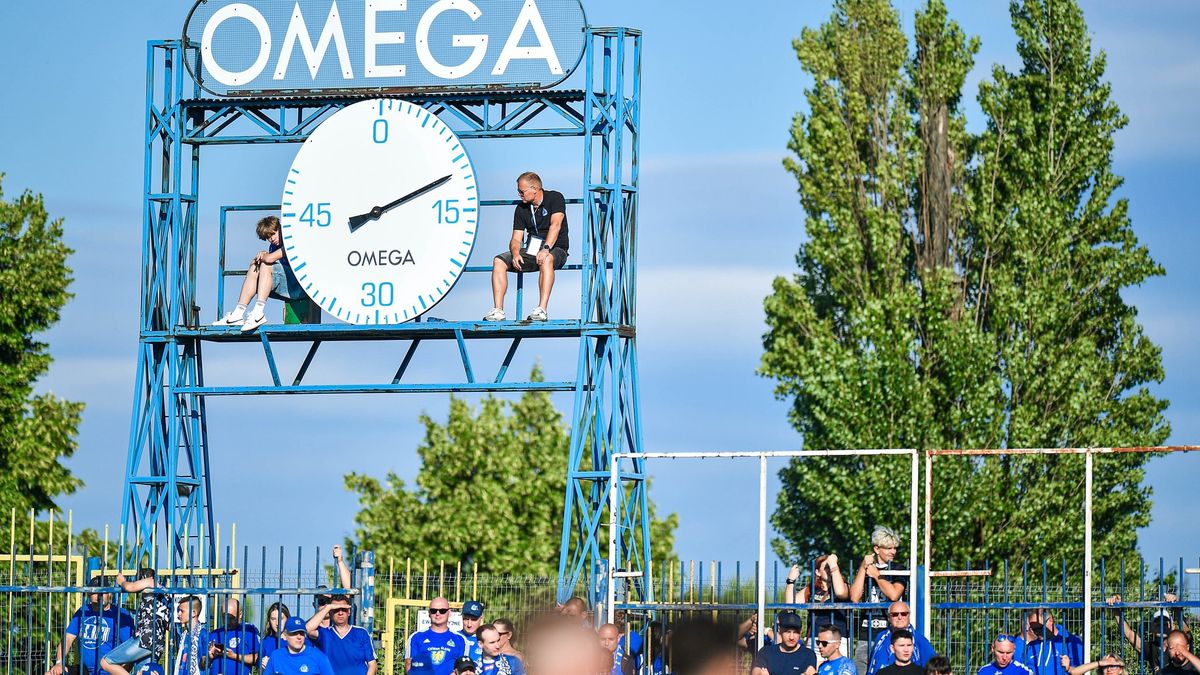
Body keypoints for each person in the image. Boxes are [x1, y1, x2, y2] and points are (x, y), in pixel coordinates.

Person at [483, 172, 569, 322]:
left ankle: (541, 309)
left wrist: (546, 248)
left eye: (522, 191)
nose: (519, 195)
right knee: (499, 261)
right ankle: (498, 310)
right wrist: (515, 253)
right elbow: (516, 238)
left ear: (534, 189)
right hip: (532, 249)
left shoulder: (555, 198)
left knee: (547, 258)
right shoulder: (521, 208)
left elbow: (556, 225)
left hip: (556, 248)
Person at [212, 215, 303, 332]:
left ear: (280, 229)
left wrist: (264, 256)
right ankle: (238, 313)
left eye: (273, 233)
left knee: (265, 264)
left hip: (298, 287)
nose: (272, 239)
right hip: (286, 285)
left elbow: (270, 259)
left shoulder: (290, 242)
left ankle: (258, 312)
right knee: (256, 265)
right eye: (268, 237)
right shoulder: (273, 246)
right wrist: (259, 257)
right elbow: (265, 260)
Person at [48, 577, 135, 675]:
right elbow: (67, 639)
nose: (99, 596)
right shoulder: (83, 611)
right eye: (95, 592)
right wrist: (59, 663)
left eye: (103, 592)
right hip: (83, 670)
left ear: (110, 593)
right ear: (89, 594)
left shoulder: (121, 615)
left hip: (107, 672)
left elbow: (131, 653)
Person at [850, 527, 907, 675]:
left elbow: (894, 594)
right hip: (865, 635)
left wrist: (876, 576)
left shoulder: (898, 569)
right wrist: (863, 568)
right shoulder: (867, 569)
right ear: (876, 548)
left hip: (889, 634)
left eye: (895, 548)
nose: (893, 551)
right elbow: (854, 598)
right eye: (888, 548)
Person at [100, 568, 172, 675]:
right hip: (157, 642)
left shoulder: (150, 582)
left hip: (145, 638)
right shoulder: (165, 594)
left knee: (106, 662)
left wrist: (122, 581)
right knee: (141, 672)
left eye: (138, 580)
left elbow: (130, 587)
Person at [1106, 594, 1190, 673]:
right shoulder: (1151, 648)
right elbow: (1129, 634)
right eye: (1157, 624)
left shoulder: (1181, 644)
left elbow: (1186, 631)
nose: (1161, 627)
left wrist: (1176, 605)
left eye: (1165, 623)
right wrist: (1115, 608)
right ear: (1151, 629)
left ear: (1172, 626)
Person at [786, 557, 849, 658]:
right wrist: (790, 581)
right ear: (818, 572)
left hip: (838, 639)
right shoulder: (811, 589)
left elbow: (840, 592)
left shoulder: (842, 586)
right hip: (815, 639)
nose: (829, 570)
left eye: (831, 566)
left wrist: (834, 566)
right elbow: (790, 605)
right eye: (826, 567)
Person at [306, 596, 376, 675]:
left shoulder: (361, 633)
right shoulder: (325, 634)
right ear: (330, 612)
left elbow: (372, 664)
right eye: (336, 610)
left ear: (349, 612)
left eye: (343, 609)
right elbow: (308, 629)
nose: (340, 613)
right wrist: (328, 607)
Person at [865, 602, 934, 675]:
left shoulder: (920, 641)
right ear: (889, 617)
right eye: (895, 614)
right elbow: (872, 666)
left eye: (904, 614)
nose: (900, 617)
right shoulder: (881, 638)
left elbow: (932, 668)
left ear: (909, 616)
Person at [406, 597, 468, 675]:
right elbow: (409, 665)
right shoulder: (416, 637)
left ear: (449, 613)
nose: (437, 614)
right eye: (433, 611)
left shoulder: (460, 639)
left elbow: (464, 669)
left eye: (442, 611)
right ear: (429, 613)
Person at [1014, 609, 1083, 675]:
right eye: (1033, 629)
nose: (1036, 632)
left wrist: (1069, 668)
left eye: (1039, 628)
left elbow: (1080, 670)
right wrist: (1023, 635)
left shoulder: (1071, 642)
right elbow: (1016, 665)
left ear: (1050, 620)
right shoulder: (1032, 645)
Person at [751, 611, 818, 675]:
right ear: (779, 630)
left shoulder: (808, 655)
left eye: (795, 632)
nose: (791, 637)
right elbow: (756, 672)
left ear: (800, 632)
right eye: (788, 632)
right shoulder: (766, 652)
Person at [264, 617, 336, 675]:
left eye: (301, 633)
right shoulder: (276, 656)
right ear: (285, 635)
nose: (299, 637)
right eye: (294, 633)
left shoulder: (318, 656)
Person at [176, 596, 210, 675]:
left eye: (182, 611)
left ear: (193, 613)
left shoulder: (203, 634)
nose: (178, 614)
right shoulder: (184, 634)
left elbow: (206, 664)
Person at [259, 603, 292, 670]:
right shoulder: (266, 641)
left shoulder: (296, 640)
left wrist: (272, 663)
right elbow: (258, 663)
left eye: (281, 618)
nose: (277, 623)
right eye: (273, 619)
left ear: (287, 618)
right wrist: (262, 662)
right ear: (269, 621)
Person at [461, 601, 485, 667]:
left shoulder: (487, 639)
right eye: (465, 619)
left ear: (481, 618)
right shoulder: (455, 637)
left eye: (474, 620)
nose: (469, 624)